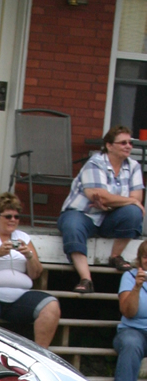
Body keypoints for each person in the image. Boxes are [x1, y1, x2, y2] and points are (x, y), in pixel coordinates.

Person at [0, 192, 60, 346]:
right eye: (8, 216)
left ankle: (40, 356)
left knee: (51, 305)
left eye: (16, 216)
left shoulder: (23, 237)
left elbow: (36, 274)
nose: (13, 220)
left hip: (18, 296)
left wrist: (30, 256)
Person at [57, 126, 144, 294]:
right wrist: (125, 200)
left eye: (130, 143)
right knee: (72, 225)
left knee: (133, 212)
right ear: (109, 146)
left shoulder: (133, 166)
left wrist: (112, 203)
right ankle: (86, 278)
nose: (128, 146)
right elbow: (100, 196)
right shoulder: (96, 162)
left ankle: (115, 256)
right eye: (123, 143)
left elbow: (136, 199)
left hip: (109, 217)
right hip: (84, 213)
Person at [112, 238, 147, 381]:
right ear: (140, 259)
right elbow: (128, 311)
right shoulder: (130, 276)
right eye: (145, 257)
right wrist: (137, 287)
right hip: (133, 331)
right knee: (131, 344)